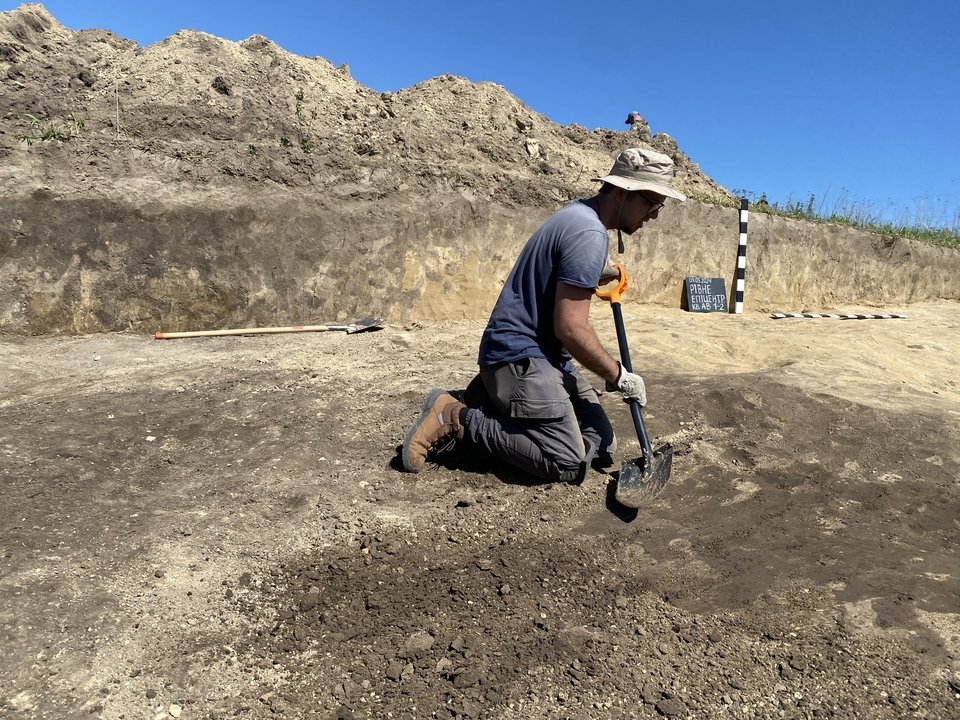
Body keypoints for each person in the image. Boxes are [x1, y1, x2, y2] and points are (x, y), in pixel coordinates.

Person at [400, 147, 686, 482]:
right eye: (652, 203)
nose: (653, 215)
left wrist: (594, 272)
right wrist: (619, 376)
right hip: (519, 356)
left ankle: (494, 402)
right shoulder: (588, 234)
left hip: (540, 358)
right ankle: (456, 416)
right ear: (623, 192)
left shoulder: (579, 216)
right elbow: (570, 328)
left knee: (602, 446)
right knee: (566, 463)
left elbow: (558, 275)